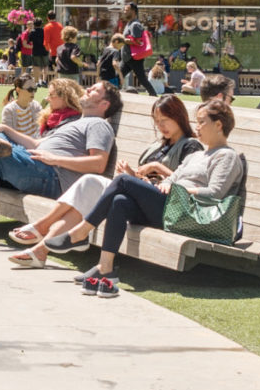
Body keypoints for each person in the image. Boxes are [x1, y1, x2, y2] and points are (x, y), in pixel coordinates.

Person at [65, 99, 245, 296]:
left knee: (122, 181)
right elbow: (170, 180)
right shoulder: (195, 156)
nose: (197, 127)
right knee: (120, 202)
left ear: (218, 125)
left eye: (202, 122)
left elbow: (215, 193)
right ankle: (105, 268)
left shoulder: (226, 156)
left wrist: (179, 190)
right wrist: (157, 185)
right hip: (171, 209)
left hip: (191, 215)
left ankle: (82, 232)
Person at [9, 92, 203, 262]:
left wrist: (156, 167)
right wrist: (132, 174)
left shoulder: (190, 145)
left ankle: (43, 228)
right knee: (84, 199)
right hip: (139, 197)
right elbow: (145, 181)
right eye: (157, 121)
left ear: (179, 117)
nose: (161, 126)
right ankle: (40, 251)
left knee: (90, 182)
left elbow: (187, 181)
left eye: (165, 120)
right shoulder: (159, 145)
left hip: (165, 205)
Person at [0, 79, 120, 243]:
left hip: (53, 176)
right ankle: (0, 144)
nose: (88, 89)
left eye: (95, 90)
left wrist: (54, 159)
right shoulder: (77, 123)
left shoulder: (99, 124)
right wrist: (6, 129)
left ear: (104, 104)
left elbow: (99, 164)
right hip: (36, 164)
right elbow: (36, 144)